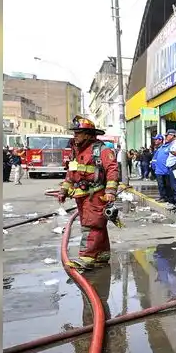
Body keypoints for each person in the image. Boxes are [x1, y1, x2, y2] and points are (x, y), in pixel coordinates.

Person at [56, 116, 120, 271]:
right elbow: (71, 173)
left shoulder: (102, 150)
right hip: (81, 196)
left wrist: (111, 191)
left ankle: (87, 257)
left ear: (89, 134)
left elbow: (112, 170)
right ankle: (101, 254)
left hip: (96, 195)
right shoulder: (76, 151)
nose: (75, 136)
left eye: (78, 133)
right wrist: (64, 190)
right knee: (98, 225)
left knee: (92, 225)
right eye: (75, 133)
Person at [163, 129, 176, 207]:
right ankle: (175, 201)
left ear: (172, 135)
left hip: (175, 166)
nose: (166, 137)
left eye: (167, 135)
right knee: (172, 185)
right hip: (170, 166)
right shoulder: (172, 143)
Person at [150, 135, 169, 200]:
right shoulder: (157, 148)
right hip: (158, 170)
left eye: (156, 139)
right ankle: (162, 196)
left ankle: (165, 197)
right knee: (160, 185)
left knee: (163, 185)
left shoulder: (164, 148)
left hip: (163, 170)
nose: (155, 141)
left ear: (160, 140)